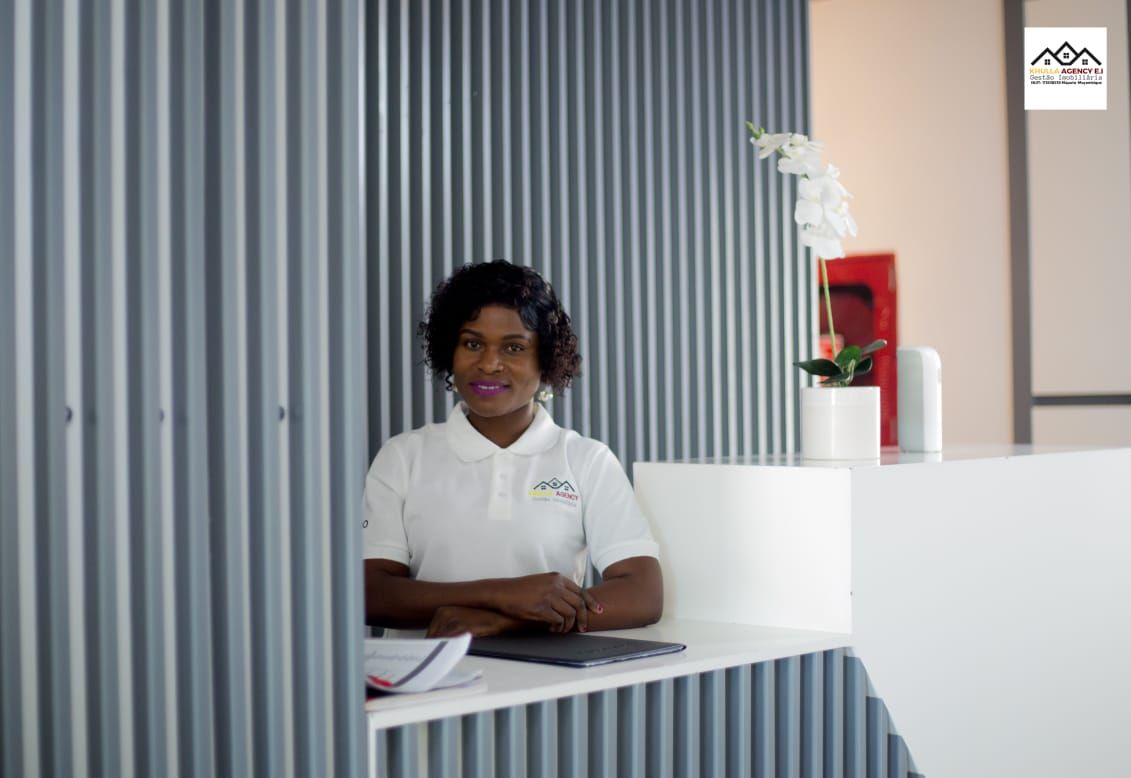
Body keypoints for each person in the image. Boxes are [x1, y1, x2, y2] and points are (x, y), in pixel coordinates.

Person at [363, 260, 663, 638]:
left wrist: (507, 621)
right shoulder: (403, 456)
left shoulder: (586, 460)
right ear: (450, 351)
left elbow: (642, 593)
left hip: (547, 675)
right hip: (427, 675)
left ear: (545, 359)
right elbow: (371, 593)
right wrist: (502, 594)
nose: (489, 364)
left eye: (514, 347)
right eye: (472, 344)